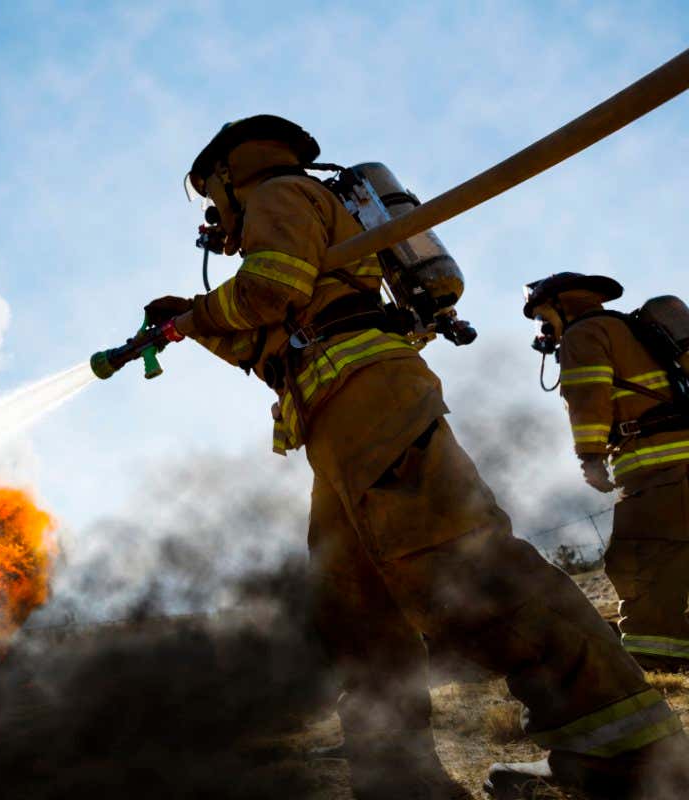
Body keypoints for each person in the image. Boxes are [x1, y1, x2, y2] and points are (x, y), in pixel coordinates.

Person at [145, 116, 687, 799]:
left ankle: (632, 759)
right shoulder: (302, 217)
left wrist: (194, 317)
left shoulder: (277, 196)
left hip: (375, 406)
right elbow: (274, 340)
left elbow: (267, 291)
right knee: (354, 609)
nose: (214, 218)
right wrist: (189, 321)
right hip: (336, 428)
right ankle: (397, 780)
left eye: (211, 197)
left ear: (226, 174)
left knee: (466, 564)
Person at [523, 273, 689, 673]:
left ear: (563, 304)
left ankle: (657, 661)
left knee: (640, 561)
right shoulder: (631, 329)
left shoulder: (584, 335)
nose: (544, 329)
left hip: (656, 468)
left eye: (544, 317)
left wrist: (591, 458)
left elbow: (588, 398)